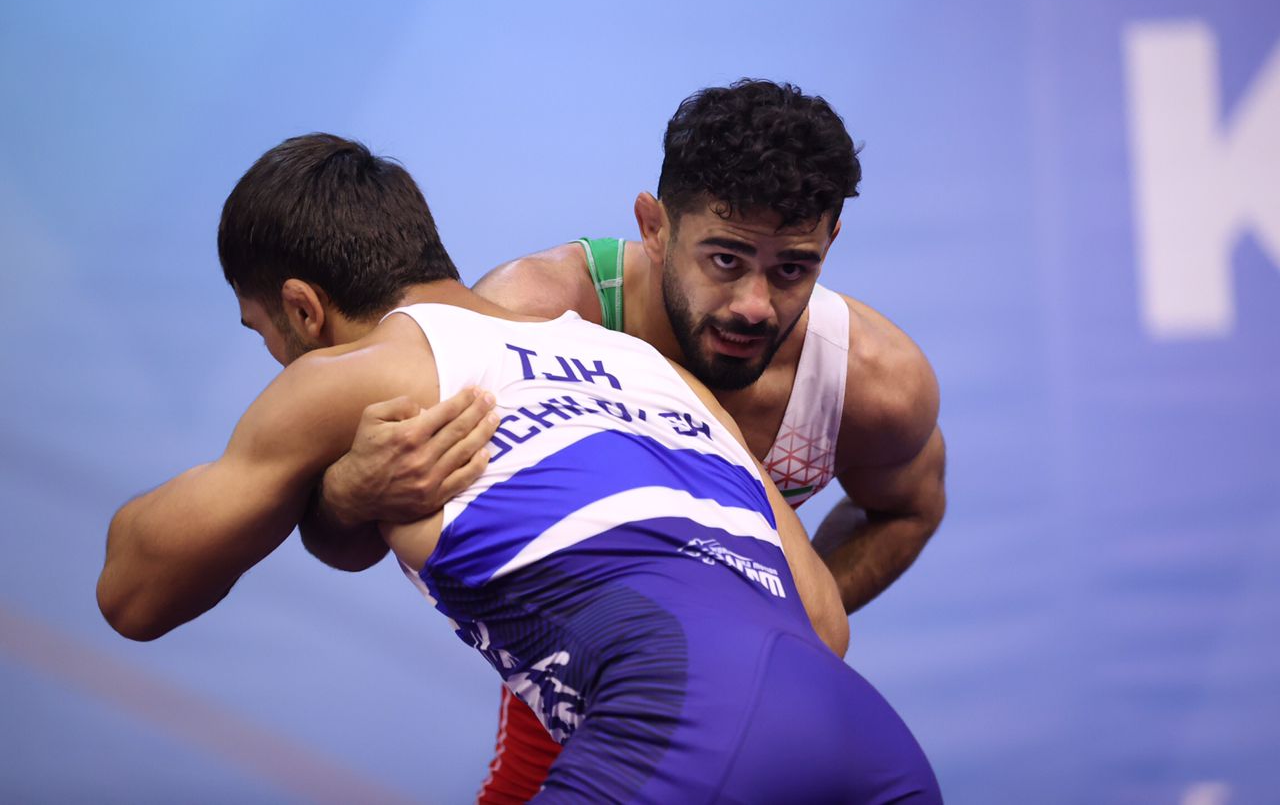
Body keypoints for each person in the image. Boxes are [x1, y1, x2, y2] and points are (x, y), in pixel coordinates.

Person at [96, 133, 941, 802]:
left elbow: (133, 595)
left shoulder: (361, 373)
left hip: (679, 714)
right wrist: (347, 494)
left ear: (302, 308)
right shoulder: (650, 366)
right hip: (865, 740)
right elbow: (822, 620)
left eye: (264, 335)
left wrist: (332, 484)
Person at [312, 79, 948, 802]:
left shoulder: (874, 381)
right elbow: (382, 518)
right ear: (654, 226)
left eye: (792, 269)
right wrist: (345, 492)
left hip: (757, 685)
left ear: (830, 241)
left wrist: (775, 624)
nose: (754, 305)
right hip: (585, 664)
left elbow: (907, 508)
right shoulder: (533, 311)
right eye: (726, 260)